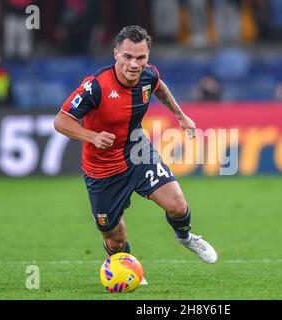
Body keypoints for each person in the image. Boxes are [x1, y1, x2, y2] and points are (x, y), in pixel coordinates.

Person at [54, 26, 218, 283]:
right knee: (114, 237)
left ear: (148, 57)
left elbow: (159, 86)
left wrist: (180, 114)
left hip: (136, 151)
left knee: (177, 204)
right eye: (128, 56)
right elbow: (61, 121)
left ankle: (186, 237)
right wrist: (92, 136)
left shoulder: (148, 75)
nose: (134, 64)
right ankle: (127, 265)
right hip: (102, 169)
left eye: (140, 58)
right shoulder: (95, 86)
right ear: (115, 54)